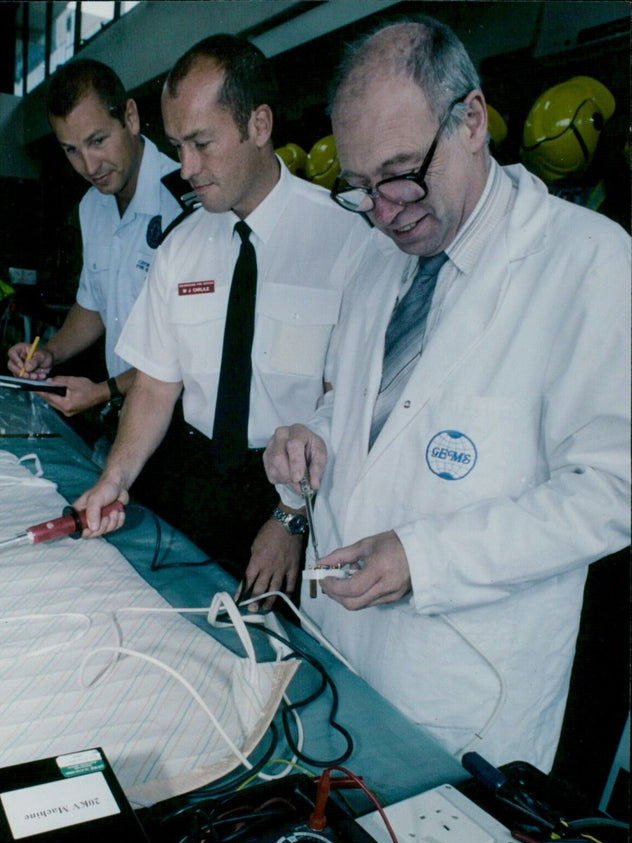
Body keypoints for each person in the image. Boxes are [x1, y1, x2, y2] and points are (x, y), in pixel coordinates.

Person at [263, 16, 630, 771]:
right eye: (361, 190)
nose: (385, 212)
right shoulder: (376, 262)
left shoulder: (588, 261)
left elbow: (611, 490)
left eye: (399, 174)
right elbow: (371, 408)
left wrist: (424, 558)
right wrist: (317, 436)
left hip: (465, 688)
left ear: (471, 119)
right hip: (341, 648)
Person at [74, 34, 368, 599]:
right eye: (177, 144)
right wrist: (114, 481)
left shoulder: (346, 241)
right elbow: (158, 385)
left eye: (202, 143)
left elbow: (349, 399)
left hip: (294, 496)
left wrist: (291, 518)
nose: (186, 167)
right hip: (191, 477)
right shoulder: (181, 247)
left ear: (259, 126)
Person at [7, 59, 183, 421]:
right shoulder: (92, 206)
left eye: (98, 141)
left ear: (130, 118)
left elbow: (190, 349)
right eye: (71, 150)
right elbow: (93, 307)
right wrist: (49, 353)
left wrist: (104, 391)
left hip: (177, 421)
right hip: (123, 415)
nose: (89, 166)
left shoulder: (183, 201)